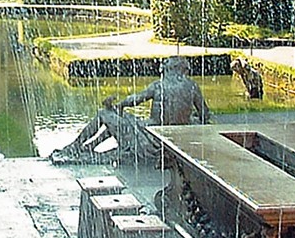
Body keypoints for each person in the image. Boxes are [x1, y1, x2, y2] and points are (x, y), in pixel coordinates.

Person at [50, 56, 209, 163]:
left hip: (151, 139)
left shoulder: (159, 86)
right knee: (123, 118)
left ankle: (76, 146)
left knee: (104, 114)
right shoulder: (192, 87)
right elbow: (205, 115)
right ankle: (90, 146)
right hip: (172, 141)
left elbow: (136, 99)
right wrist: (189, 119)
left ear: (169, 70)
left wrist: (120, 105)